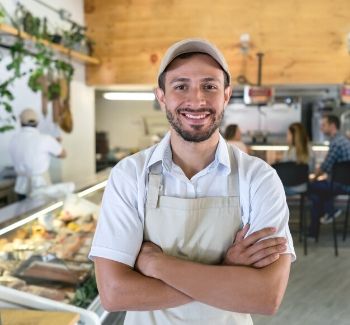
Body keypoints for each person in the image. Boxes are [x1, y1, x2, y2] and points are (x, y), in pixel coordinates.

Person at [90, 38, 295, 324]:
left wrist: (154, 264)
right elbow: (114, 294)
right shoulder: (129, 175)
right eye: (180, 85)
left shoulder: (259, 178)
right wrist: (225, 270)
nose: (197, 100)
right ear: (161, 95)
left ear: (226, 94)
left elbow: (265, 296)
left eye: (209, 86)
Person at [9, 108, 66, 200]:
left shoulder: (13, 139)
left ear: (21, 122)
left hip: (21, 186)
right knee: (41, 212)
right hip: (40, 186)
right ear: (37, 123)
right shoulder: (46, 139)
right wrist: (55, 143)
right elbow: (63, 154)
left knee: (25, 214)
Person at [309, 114, 350, 235]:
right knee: (318, 194)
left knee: (310, 187)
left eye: (324, 125)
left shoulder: (336, 143)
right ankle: (326, 214)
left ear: (332, 126)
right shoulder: (343, 140)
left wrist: (313, 178)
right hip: (343, 183)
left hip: (341, 185)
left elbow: (324, 167)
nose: (321, 128)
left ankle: (328, 213)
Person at [280, 122, 314, 195]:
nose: (287, 136)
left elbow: (283, 173)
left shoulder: (289, 151)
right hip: (303, 187)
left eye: (288, 134)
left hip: (288, 187)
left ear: (294, 135)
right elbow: (311, 170)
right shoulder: (310, 149)